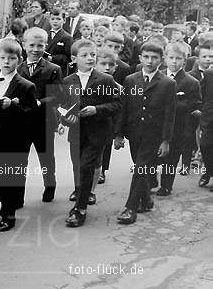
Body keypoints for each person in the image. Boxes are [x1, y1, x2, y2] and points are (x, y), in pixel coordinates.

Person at [0, 39, 37, 231]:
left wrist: (14, 105)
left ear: (19, 61)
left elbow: (31, 113)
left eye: (11, 59)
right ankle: (6, 199)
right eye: (3, 58)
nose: (6, 62)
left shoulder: (26, 85)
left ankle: (8, 213)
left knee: (10, 174)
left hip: (17, 136)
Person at [61, 39, 121, 227]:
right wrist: (63, 118)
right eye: (84, 55)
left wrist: (97, 109)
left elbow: (117, 104)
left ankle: (80, 208)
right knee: (78, 166)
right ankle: (81, 194)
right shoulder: (67, 80)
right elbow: (62, 105)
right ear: (73, 59)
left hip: (97, 132)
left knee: (87, 166)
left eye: (92, 55)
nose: (89, 58)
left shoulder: (105, 79)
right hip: (76, 132)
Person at [115, 42, 176, 224]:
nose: (150, 61)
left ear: (161, 60)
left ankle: (130, 208)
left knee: (140, 169)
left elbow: (169, 114)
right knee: (141, 167)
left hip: (153, 135)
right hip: (134, 134)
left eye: (154, 58)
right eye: (146, 57)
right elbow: (124, 108)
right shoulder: (131, 79)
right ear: (140, 58)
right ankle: (147, 200)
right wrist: (118, 134)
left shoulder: (167, 83)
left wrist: (165, 140)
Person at [18, 27, 63, 203]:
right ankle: (18, 196)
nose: (36, 49)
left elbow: (58, 96)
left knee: (46, 157)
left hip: (43, 121)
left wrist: (40, 102)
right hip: (21, 123)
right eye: (31, 45)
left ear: (45, 46)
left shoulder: (53, 69)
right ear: (24, 45)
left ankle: (50, 186)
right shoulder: (18, 68)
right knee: (20, 161)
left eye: (40, 45)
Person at [159, 42, 201, 195]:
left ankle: (166, 184)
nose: (174, 61)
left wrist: (174, 104)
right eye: (171, 58)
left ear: (185, 60)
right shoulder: (158, 76)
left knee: (172, 156)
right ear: (165, 58)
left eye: (178, 58)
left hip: (178, 126)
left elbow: (194, 104)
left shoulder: (191, 82)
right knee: (153, 154)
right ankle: (150, 179)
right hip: (157, 124)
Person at [93, 48, 121, 187]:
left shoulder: (118, 88)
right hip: (89, 125)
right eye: (103, 64)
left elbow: (119, 112)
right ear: (95, 64)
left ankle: (102, 170)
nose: (107, 68)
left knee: (105, 148)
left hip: (107, 125)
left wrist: (118, 134)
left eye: (110, 65)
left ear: (115, 68)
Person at [46, 8, 72, 76]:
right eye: (53, 19)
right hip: (45, 71)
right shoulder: (45, 35)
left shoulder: (67, 37)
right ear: (49, 20)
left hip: (60, 72)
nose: (55, 21)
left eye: (58, 19)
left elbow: (69, 57)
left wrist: (53, 58)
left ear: (64, 20)